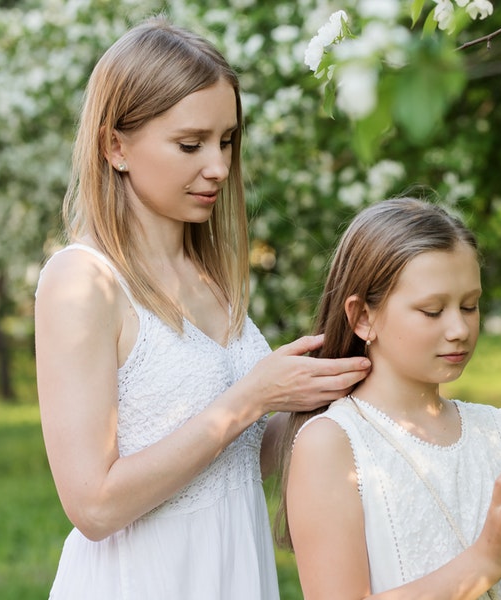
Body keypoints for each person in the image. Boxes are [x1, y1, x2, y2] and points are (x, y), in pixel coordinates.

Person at [33, 16, 370, 599]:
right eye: (190, 144)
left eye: (227, 140)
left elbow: (237, 459)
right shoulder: (82, 282)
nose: (217, 166)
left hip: (233, 572)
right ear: (116, 146)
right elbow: (93, 504)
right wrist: (252, 397)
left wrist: (323, 395)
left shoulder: (210, 277)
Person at [277, 198, 501, 599]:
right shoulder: (333, 444)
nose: (459, 328)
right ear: (363, 318)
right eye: (432, 310)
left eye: (470, 306)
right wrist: (490, 557)